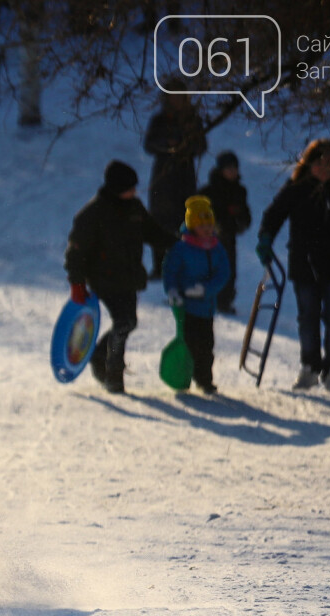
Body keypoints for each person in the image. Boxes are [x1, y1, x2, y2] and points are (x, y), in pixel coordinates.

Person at [257, 139, 330, 393]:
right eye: (320, 162)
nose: (325, 168)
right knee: (307, 317)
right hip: (304, 264)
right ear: (309, 164)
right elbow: (274, 214)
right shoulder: (297, 188)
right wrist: (265, 238)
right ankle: (310, 367)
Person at [65, 160, 178, 394]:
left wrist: (179, 243)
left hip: (129, 278)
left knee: (128, 322)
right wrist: (77, 283)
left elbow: (153, 232)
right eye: (130, 187)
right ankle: (113, 375)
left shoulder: (135, 208)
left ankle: (99, 356)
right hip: (103, 279)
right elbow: (76, 253)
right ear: (116, 187)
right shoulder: (93, 213)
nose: (135, 191)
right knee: (124, 322)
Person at [162, 196, 232, 393]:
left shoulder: (216, 248)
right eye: (203, 226)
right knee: (189, 344)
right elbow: (170, 271)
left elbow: (223, 274)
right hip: (187, 308)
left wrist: (206, 289)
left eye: (210, 225)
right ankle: (184, 377)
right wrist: (173, 290)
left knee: (206, 346)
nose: (208, 229)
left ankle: (205, 380)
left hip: (207, 307)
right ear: (192, 226)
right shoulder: (181, 249)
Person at [143, 91, 207, 277]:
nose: (176, 100)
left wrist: (182, 145)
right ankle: (160, 267)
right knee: (160, 222)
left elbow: (201, 146)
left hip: (185, 176)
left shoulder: (192, 120)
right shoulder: (159, 120)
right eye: (173, 96)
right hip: (162, 177)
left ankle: (183, 265)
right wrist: (167, 145)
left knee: (185, 222)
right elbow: (149, 144)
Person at [196, 151, 252, 314]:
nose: (232, 171)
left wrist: (240, 223)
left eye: (235, 168)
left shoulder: (239, 191)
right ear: (221, 170)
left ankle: (224, 301)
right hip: (207, 239)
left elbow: (245, 214)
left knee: (228, 271)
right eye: (229, 168)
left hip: (229, 238)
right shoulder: (207, 192)